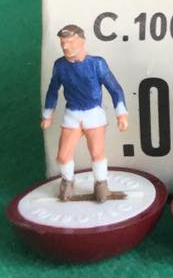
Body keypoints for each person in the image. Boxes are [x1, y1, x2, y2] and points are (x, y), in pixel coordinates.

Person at [41, 24, 128, 203]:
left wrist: (121, 114)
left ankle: (101, 185)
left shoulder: (96, 63)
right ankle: (67, 183)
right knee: (63, 155)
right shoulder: (60, 65)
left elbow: (115, 88)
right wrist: (47, 114)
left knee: (96, 152)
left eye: (70, 42)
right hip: (72, 115)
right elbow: (52, 90)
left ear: (82, 41)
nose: (66, 47)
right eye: (63, 43)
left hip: (93, 114)